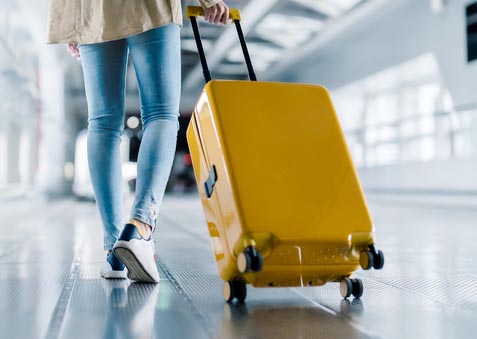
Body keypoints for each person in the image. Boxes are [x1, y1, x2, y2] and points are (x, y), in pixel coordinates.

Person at [46, 0, 229, 282]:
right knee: (161, 113)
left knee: (102, 123)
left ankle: (113, 251)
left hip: (91, 9)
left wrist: (71, 22)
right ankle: (141, 227)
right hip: (148, 7)